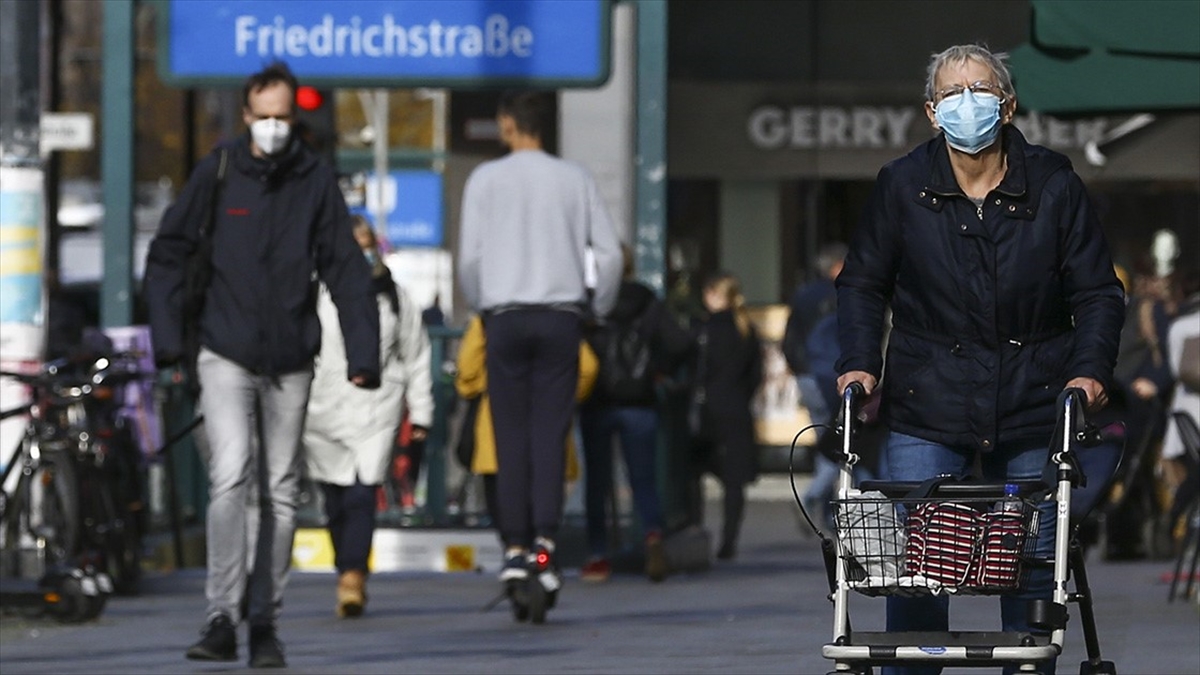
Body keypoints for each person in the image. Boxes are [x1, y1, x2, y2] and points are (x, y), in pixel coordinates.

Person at [833, 44, 1124, 675]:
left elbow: (1097, 291)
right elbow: (862, 283)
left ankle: (1027, 666)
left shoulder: (1052, 183)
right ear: (933, 112)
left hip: (1033, 399)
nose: (970, 101)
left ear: (1009, 105)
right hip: (926, 403)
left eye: (982, 87)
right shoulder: (902, 185)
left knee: (1028, 569)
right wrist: (860, 362)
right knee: (918, 573)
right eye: (954, 91)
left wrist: (1090, 370)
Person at [144, 62, 380, 668]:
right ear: (246, 116)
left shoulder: (313, 180)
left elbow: (347, 271)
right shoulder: (219, 173)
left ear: (292, 118)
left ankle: (264, 622)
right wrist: (169, 342)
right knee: (230, 475)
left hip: (290, 359)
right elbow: (169, 252)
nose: (273, 126)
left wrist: (364, 355)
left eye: (283, 116)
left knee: (278, 492)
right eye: (263, 115)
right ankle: (220, 614)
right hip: (224, 352)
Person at [457, 90, 623, 601]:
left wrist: (482, 304)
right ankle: (546, 548)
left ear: (507, 124)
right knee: (551, 435)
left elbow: (468, 259)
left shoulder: (485, 179)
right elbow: (610, 254)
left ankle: (513, 548)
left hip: (504, 316)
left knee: (510, 436)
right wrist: (596, 308)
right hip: (561, 318)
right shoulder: (574, 178)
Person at [302, 217, 433, 619]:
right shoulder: (316, 292)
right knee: (335, 499)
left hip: (378, 404)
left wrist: (422, 411)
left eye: (368, 243)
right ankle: (347, 563)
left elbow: (416, 354)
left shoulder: (396, 297)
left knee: (362, 492)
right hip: (323, 408)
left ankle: (352, 576)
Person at [579, 246, 693, 583]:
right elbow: (680, 342)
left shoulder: (589, 306)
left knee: (597, 483)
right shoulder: (647, 301)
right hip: (639, 402)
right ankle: (653, 537)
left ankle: (598, 555)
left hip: (597, 402)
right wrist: (657, 370)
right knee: (642, 479)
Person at [454, 314, 597, 540]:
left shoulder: (488, 318)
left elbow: (468, 372)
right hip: (549, 431)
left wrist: (484, 382)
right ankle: (543, 553)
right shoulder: (559, 318)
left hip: (496, 438)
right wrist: (564, 394)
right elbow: (587, 367)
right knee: (544, 511)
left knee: (507, 517)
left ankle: (515, 554)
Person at [689, 271, 764, 561]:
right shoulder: (744, 329)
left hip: (706, 409)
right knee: (734, 482)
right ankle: (729, 540)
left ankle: (696, 531)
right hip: (735, 408)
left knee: (693, 473)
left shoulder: (703, 329)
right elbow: (755, 375)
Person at [781, 242, 849, 528]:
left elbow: (790, 338)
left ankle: (825, 512)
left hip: (808, 376)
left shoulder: (803, 295)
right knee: (838, 440)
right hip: (832, 376)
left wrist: (799, 368)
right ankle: (814, 497)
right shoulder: (841, 295)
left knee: (826, 437)